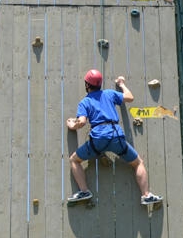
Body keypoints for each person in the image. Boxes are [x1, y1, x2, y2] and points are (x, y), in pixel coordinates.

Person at [65, 69, 162, 205]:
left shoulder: (85, 102)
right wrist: (121, 84)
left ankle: (84, 191)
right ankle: (146, 195)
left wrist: (71, 124)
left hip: (98, 139)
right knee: (138, 163)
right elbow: (129, 97)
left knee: (74, 160)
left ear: (87, 85)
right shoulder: (109, 94)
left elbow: (81, 122)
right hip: (116, 136)